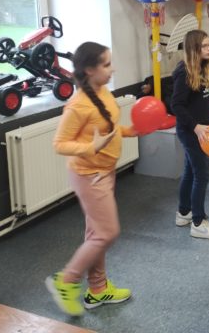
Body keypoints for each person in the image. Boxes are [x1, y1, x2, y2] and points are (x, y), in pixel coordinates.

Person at [46, 41, 137, 316]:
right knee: (107, 233)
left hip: (105, 171)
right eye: (106, 64)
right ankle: (66, 280)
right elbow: (59, 144)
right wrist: (90, 148)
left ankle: (97, 289)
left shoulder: (102, 91)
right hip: (90, 176)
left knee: (96, 234)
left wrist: (129, 131)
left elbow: (107, 127)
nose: (112, 69)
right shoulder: (78, 105)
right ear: (89, 69)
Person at [171, 29, 209, 239]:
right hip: (191, 131)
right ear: (194, 48)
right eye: (205, 46)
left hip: (201, 128)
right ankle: (198, 222)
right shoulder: (184, 72)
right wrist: (195, 127)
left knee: (190, 171)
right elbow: (176, 105)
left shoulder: (203, 67)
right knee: (202, 174)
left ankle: (184, 212)